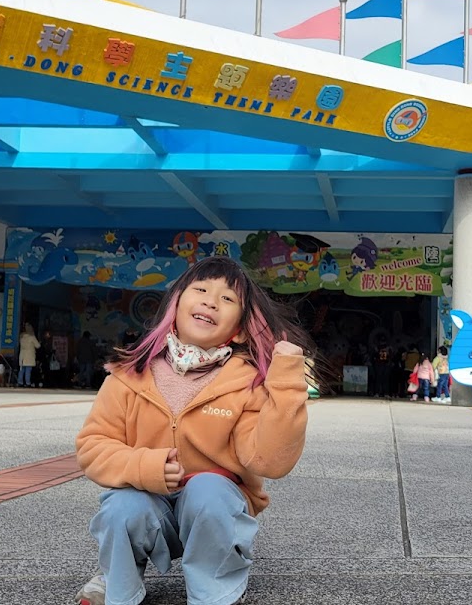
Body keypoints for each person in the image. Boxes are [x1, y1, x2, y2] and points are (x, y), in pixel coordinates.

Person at [74, 257, 313, 605]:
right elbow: (93, 446)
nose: (211, 301)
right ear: (176, 304)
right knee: (122, 506)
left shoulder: (245, 383)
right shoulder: (129, 374)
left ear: (242, 329)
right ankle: (117, 584)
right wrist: (146, 468)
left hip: (212, 510)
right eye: (200, 289)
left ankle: (215, 594)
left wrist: (287, 379)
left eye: (228, 299)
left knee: (209, 489)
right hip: (149, 502)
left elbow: (269, 460)